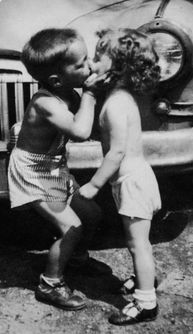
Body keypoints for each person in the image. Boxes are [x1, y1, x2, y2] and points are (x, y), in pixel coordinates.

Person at [8, 28, 111, 311]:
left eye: (88, 58)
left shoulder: (67, 92)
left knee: (91, 213)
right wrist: (90, 93)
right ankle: (49, 284)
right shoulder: (45, 103)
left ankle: (75, 259)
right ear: (57, 78)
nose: (89, 66)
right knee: (71, 228)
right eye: (81, 64)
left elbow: (91, 124)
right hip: (33, 172)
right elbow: (80, 131)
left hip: (53, 166)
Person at [79, 28, 162, 325]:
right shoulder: (119, 95)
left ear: (117, 66)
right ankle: (147, 275)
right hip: (135, 178)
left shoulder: (116, 104)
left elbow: (115, 154)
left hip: (132, 182)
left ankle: (145, 302)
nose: (91, 61)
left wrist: (93, 184)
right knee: (140, 241)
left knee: (136, 243)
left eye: (98, 57)